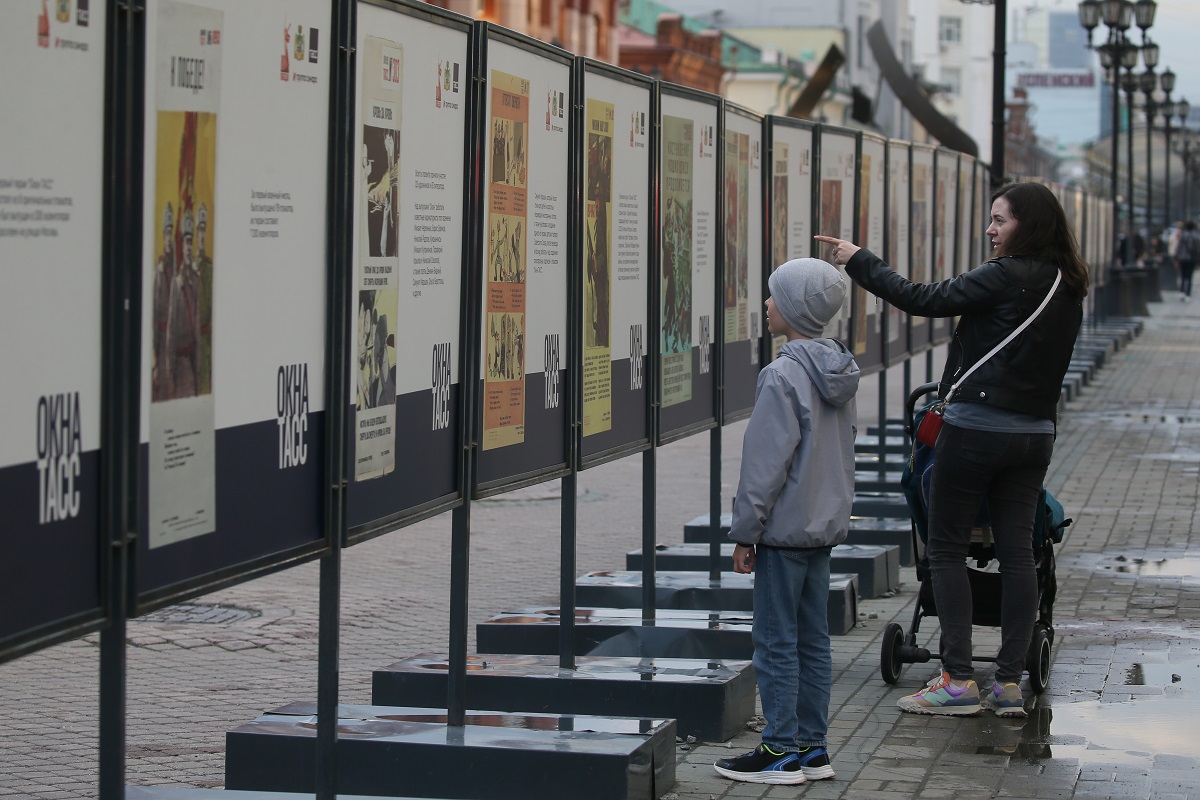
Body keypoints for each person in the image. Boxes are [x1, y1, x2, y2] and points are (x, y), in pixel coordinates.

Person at [815, 181, 1087, 718]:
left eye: (1000, 220)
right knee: (1016, 555)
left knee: (945, 548)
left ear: (1026, 225)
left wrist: (858, 260)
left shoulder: (1005, 275)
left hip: (975, 432)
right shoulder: (1068, 283)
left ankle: (958, 678)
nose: (991, 230)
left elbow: (924, 299)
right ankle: (1008, 684)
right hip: (1033, 437)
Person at [713, 257, 859, 785]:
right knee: (813, 639)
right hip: (820, 530)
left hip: (781, 531)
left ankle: (778, 749)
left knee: (775, 641)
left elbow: (764, 464)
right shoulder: (837, 370)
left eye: (774, 296)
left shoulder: (781, 374)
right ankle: (812, 748)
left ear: (793, 309)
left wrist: (746, 530)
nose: (767, 304)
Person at [1174, 220, 1199, 301]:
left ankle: (1181, 291)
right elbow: (1196, 249)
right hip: (1191, 259)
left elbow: (1178, 248)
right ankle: (1187, 293)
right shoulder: (1196, 236)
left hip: (1182, 258)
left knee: (1182, 275)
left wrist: (1176, 257)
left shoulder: (1183, 235)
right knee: (1189, 276)